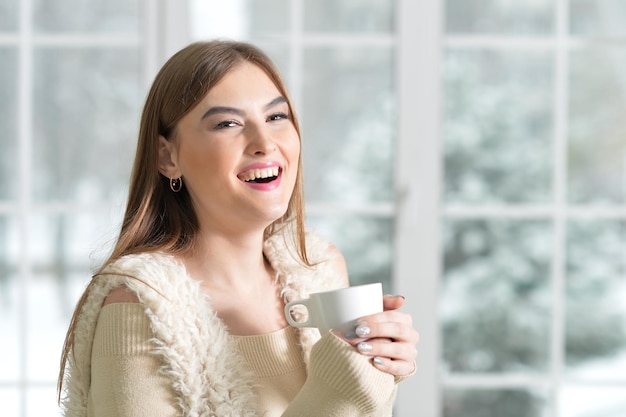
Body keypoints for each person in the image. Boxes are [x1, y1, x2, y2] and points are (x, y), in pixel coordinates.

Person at [57, 40, 419, 417]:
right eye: (228, 123)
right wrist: (337, 396)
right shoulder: (139, 304)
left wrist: (379, 372)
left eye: (277, 117)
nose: (265, 143)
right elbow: (338, 400)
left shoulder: (318, 268)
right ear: (167, 157)